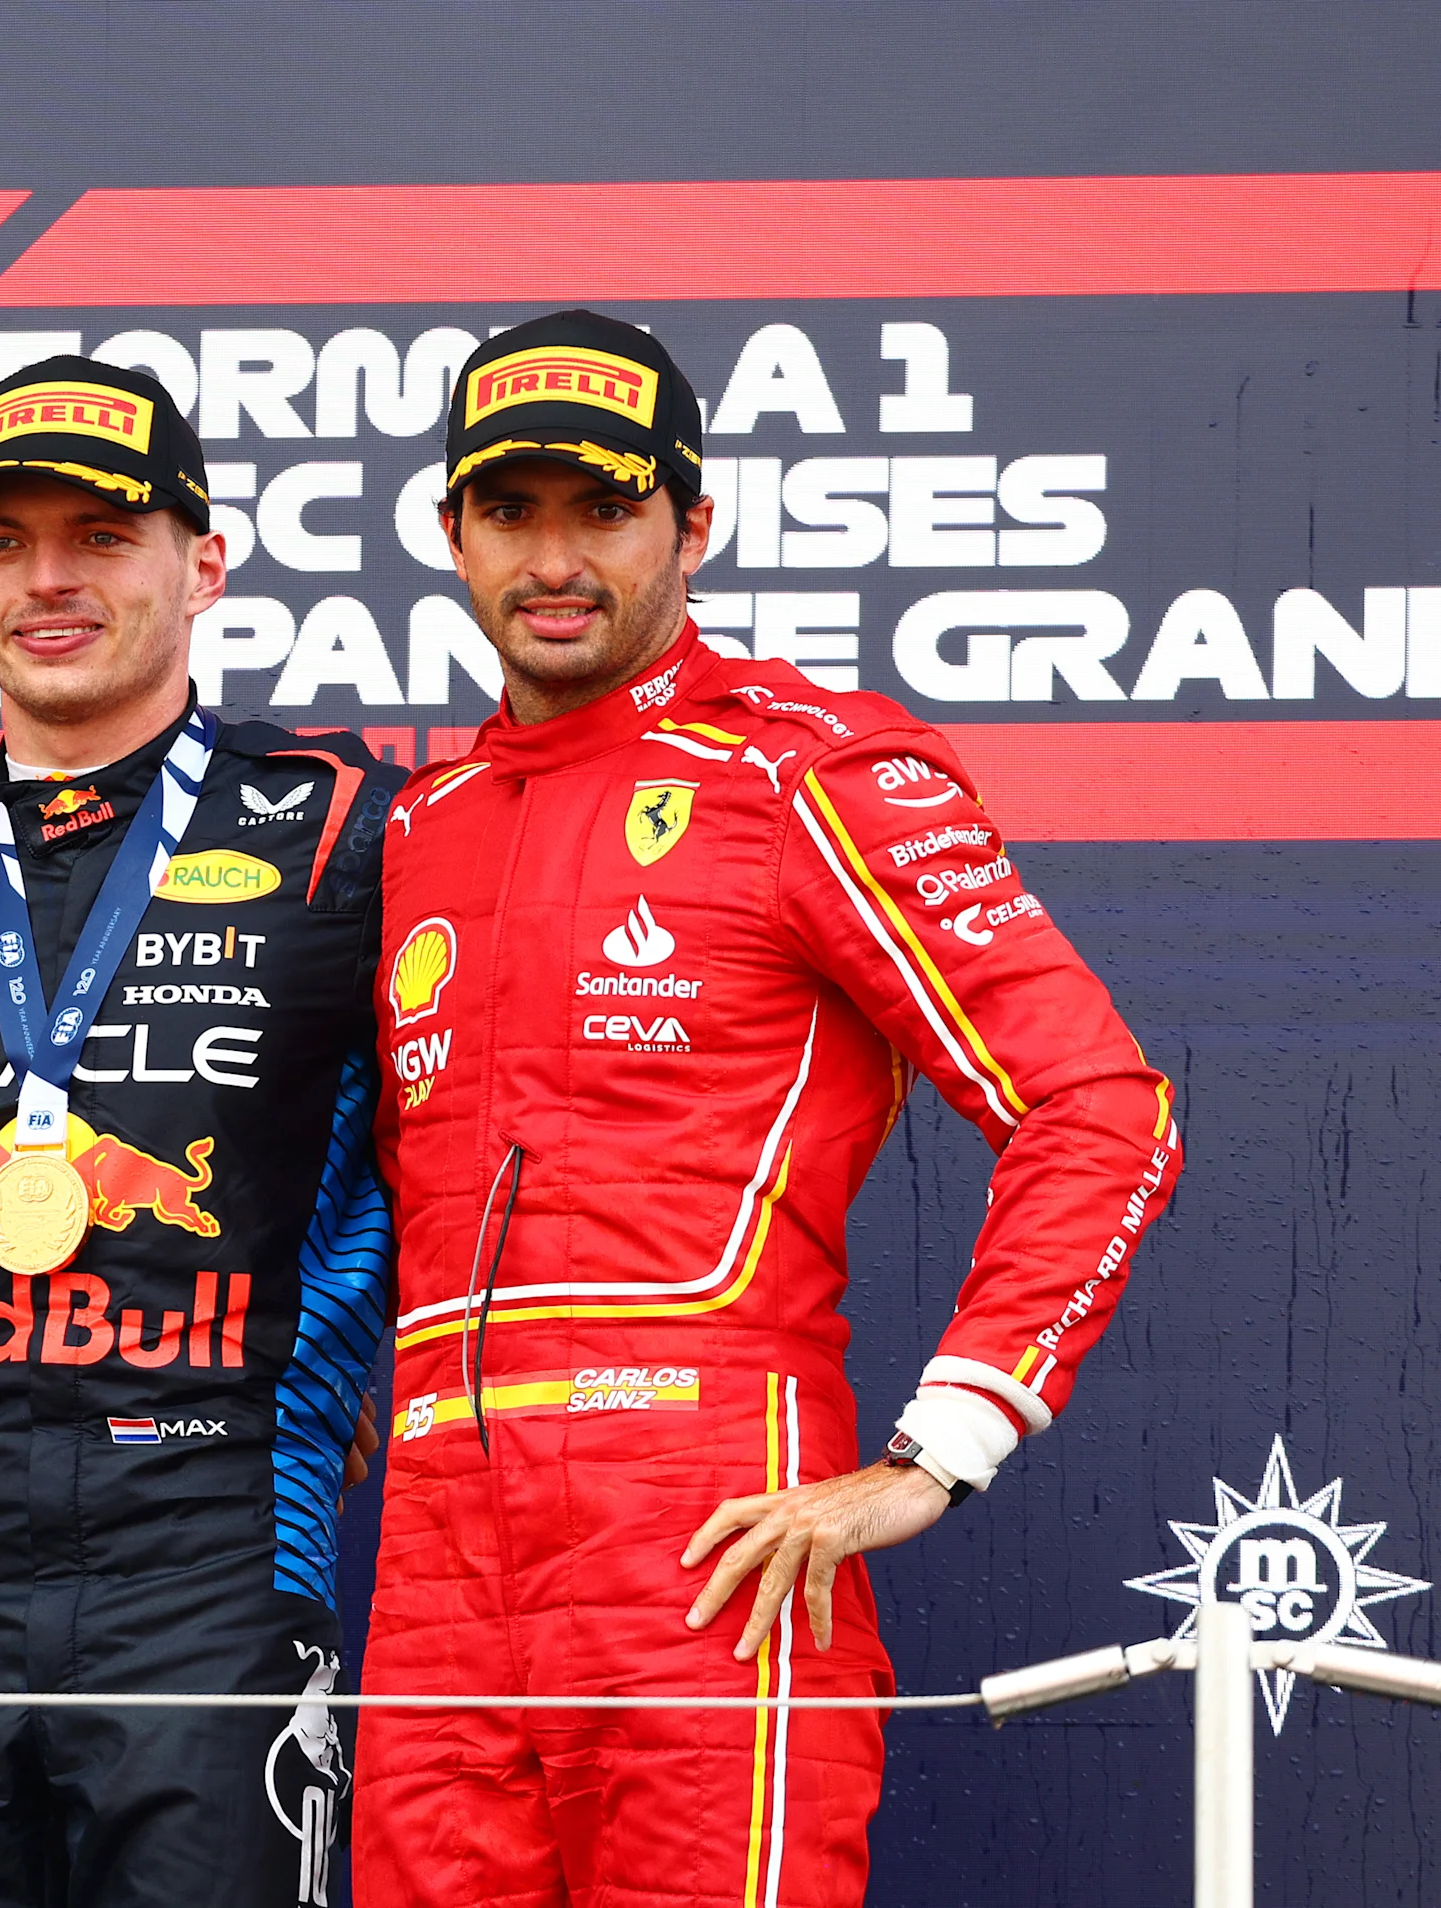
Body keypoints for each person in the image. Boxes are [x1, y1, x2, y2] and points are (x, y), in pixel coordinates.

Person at [353, 309, 1186, 1907]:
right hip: (439, 1559)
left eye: (606, 510)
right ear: (453, 534)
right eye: (512, 511)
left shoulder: (806, 772)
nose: (555, 559)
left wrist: (942, 1446)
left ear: (694, 525)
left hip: (709, 1537)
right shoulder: (420, 825)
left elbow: (1099, 1106)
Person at [0, 356, 406, 1908]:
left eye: (102, 537)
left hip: (212, 1556)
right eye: (5, 544)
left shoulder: (344, 828)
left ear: (203, 566)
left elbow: (470, 1151)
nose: (49, 580)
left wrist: (336, 1379)